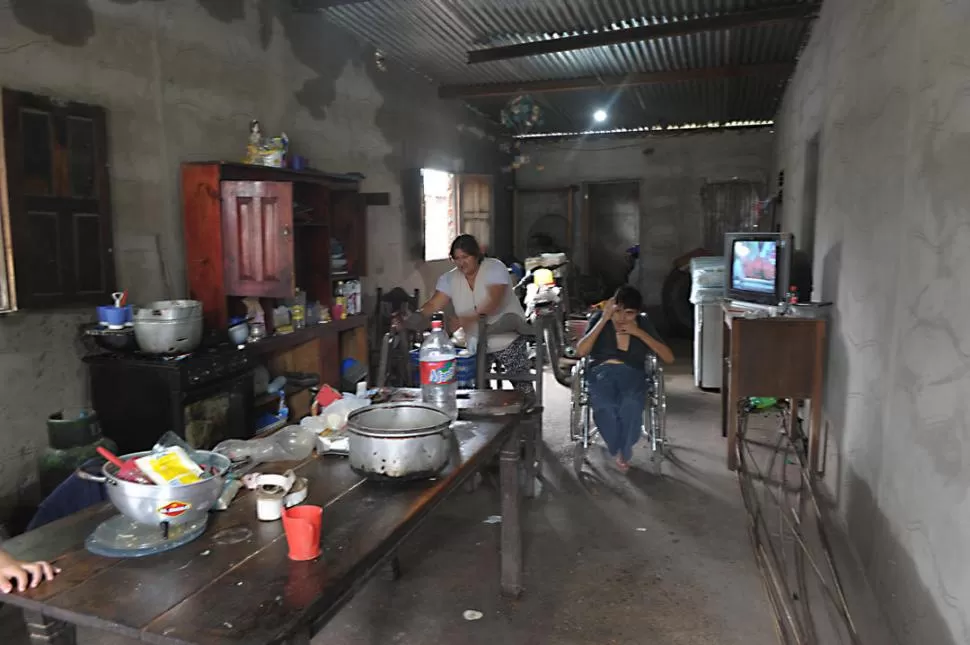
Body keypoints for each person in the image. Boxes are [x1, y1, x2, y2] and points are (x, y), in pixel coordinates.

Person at [395, 235, 534, 403]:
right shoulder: (449, 279)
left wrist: (464, 320)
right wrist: (411, 320)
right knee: (474, 386)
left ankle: (530, 413)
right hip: (477, 342)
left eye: (466, 257)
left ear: (476, 255)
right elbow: (432, 305)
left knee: (522, 384)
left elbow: (494, 303)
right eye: (457, 259)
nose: (462, 263)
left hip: (508, 336)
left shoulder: (494, 268)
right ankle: (487, 411)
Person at [575, 285, 674, 472]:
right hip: (601, 372)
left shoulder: (643, 324)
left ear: (637, 313)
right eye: (617, 311)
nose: (621, 318)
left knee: (630, 404)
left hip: (633, 373)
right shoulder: (600, 319)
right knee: (605, 405)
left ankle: (624, 449)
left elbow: (668, 357)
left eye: (628, 313)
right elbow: (581, 351)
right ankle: (617, 446)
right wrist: (604, 319)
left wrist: (638, 333)